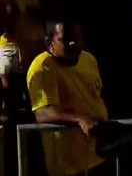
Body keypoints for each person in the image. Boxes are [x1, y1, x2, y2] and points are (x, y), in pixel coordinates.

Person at [26, 16, 110, 176]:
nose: (73, 43)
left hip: (98, 155)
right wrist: (80, 119)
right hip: (68, 166)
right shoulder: (42, 68)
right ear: (48, 42)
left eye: (77, 38)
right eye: (65, 39)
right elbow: (43, 113)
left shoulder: (88, 59)